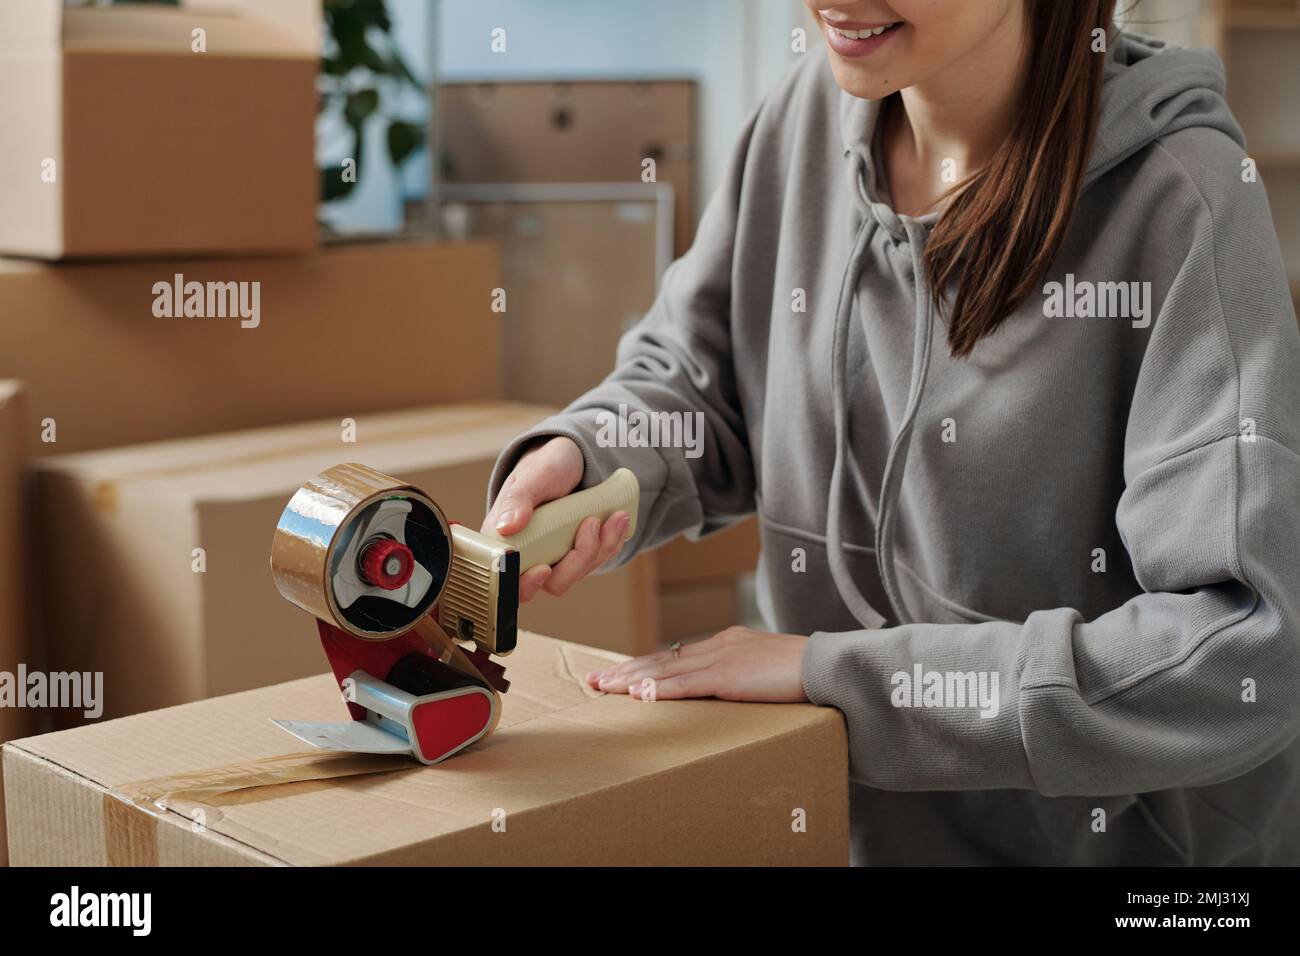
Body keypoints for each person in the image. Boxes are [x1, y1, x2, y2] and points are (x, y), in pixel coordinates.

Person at [481, 0, 1300, 865]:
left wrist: (841, 680)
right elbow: (696, 380)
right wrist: (591, 457)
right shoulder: (798, 122)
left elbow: (1242, 655)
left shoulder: (1184, 198)